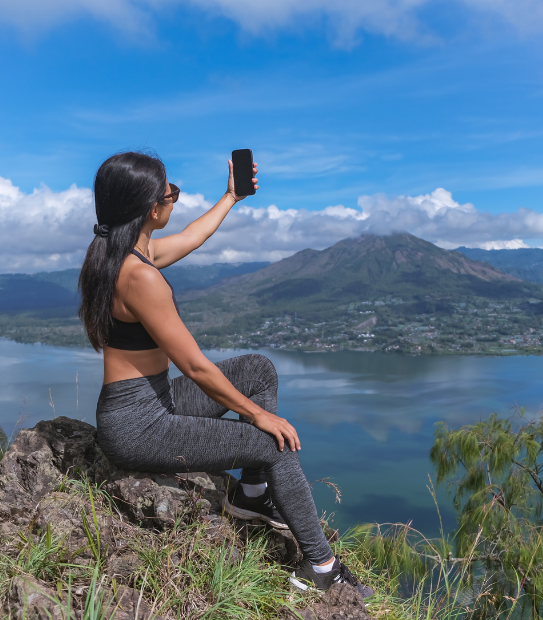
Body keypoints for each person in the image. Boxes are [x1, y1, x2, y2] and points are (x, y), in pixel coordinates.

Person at [77, 151, 373, 598]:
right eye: (170, 192)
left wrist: (231, 197)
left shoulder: (122, 254)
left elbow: (192, 236)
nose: (174, 199)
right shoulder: (140, 277)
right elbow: (195, 366)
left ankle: (251, 495)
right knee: (274, 443)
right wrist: (258, 417)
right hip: (139, 426)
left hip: (147, 404)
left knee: (258, 369)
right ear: (150, 208)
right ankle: (323, 568)